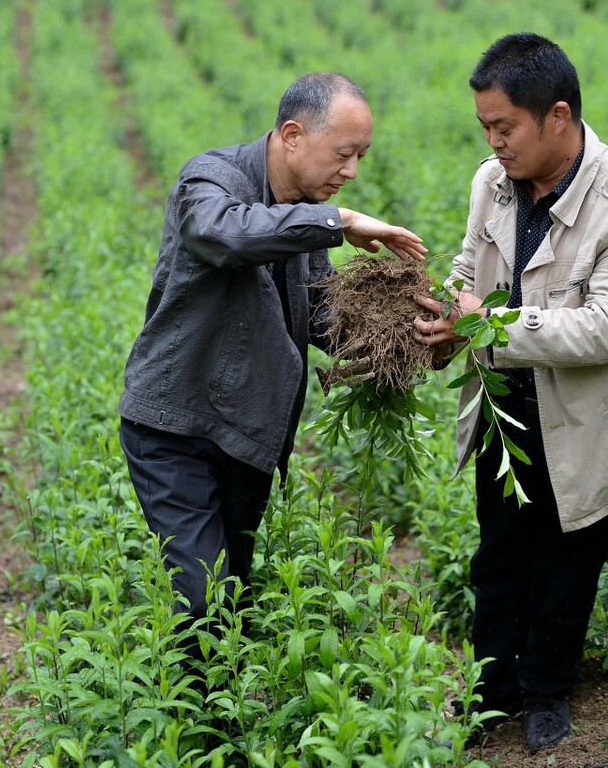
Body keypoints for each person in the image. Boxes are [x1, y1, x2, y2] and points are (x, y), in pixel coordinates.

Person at [414, 33, 608, 751]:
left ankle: (546, 689)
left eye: (504, 127)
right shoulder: (492, 183)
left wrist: (486, 323)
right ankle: (494, 687)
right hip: (506, 407)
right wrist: (448, 316)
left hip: (593, 415)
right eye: (485, 127)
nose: (493, 143)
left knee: (570, 561)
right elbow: (467, 268)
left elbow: (607, 328)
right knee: (498, 554)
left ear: (559, 117)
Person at [119, 72, 425, 647]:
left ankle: (224, 721)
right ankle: (201, 733)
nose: (352, 171)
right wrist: (340, 223)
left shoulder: (302, 211)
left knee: (232, 593)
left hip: (245, 433)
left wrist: (411, 332)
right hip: (174, 429)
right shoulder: (210, 179)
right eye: (343, 154)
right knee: (203, 598)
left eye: (361, 155)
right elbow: (222, 233)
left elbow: (323, 319)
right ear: (291, 135)